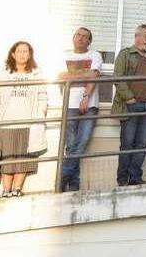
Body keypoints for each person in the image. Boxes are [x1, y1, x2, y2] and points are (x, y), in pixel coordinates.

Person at [0, 42, 48, 197]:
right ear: (13, 54)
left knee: (23, 158)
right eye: (19, 51)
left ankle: (16, 189)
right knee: (7, 157)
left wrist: (41, 112)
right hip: (7, 121)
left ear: (30, 55)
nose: (23, 54)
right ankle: (6, 190)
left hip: (28, 123)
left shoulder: (36, 74)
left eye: (26, 51)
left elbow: (43, 96)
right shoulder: (4, 74)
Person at [112, 24, 146, 186]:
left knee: (142, 144)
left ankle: (135, 177)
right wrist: (130, 99)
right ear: (137, 36)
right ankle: (122, 179)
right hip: (130, 106)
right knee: (127, 143)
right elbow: (118, 77)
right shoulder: (126, 54)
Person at [58, 27, 102, 192]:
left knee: (81, 143)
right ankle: (73, 184)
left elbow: (94, 75)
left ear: (89, 41)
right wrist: (85, 73)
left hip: (88, 105)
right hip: (69, 105)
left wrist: (85, 96)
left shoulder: (94, 55)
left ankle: (62, 177)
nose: (81, 38)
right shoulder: (64, 55)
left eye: (85, 37)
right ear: (73, 38)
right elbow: (60, 76)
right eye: (78, 35)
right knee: (71, 146)